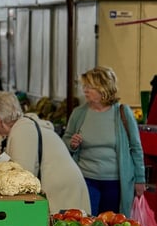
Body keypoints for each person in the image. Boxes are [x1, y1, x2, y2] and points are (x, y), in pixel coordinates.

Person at [0, 91, 91, 214]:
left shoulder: (22, 132)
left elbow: (22, 177)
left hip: (63, 190)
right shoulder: (13, 130)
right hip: (57, 187)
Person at [62, 66, 146, 217]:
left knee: (112, 224)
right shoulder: (79, 113)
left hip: (115, 182)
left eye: (90, 87)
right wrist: (72, 144)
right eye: (84, 86)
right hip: (86, 179)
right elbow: (66, 140)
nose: (85, 90)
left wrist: (140, 179)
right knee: (87, 222)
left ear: (104, 88)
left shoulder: (122, 112)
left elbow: (136, 148)